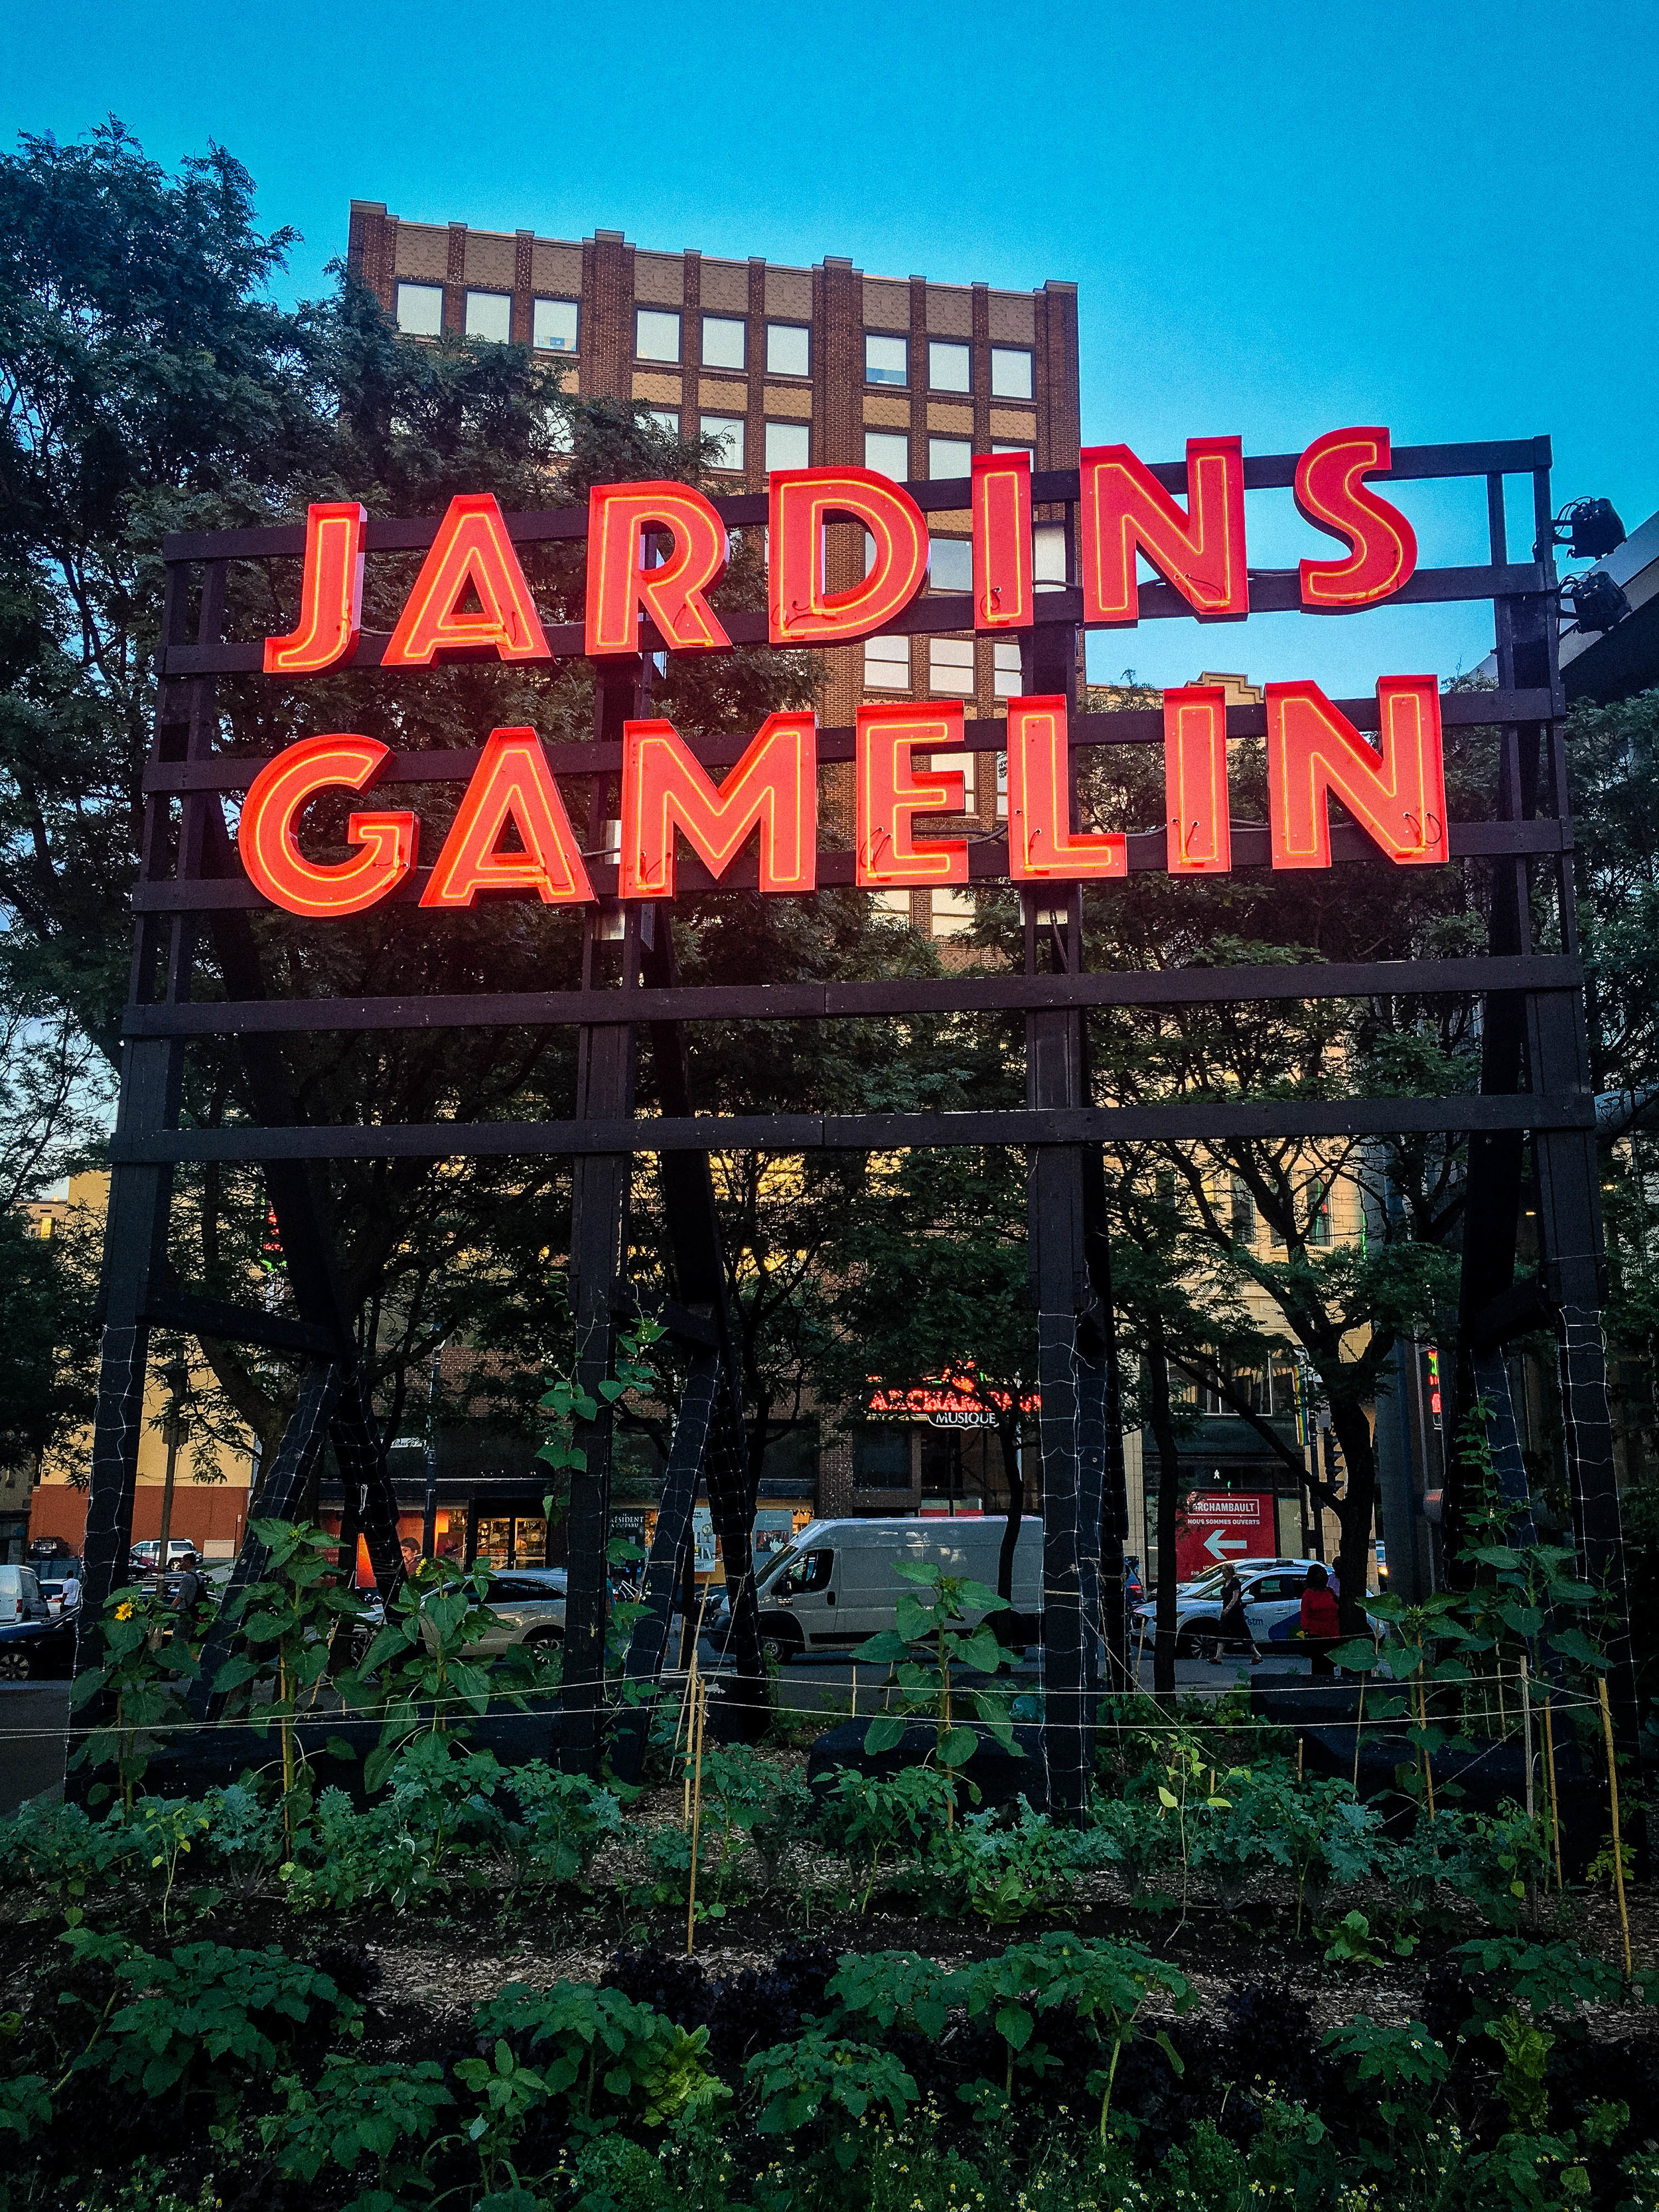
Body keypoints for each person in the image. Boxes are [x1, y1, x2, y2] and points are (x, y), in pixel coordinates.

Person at [1208, 1564, 1263, 1666]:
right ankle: (1218, 1657)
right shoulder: (1225, 1583)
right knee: (1222, 1631)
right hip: (1227, 1612)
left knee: (1243, 1632)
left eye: (1224, 1571)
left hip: (1235, 1613)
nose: (1223, 1573)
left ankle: (1257, 1654)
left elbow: (1235, 1598)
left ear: (1230, 1572)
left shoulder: (1235, 1582)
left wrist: (1227, 1609)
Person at [1298, 1562, 1340, 1676]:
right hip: (1317, 1636)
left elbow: (1338, 1606)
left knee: (1330, 1664)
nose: (1325, 1577)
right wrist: (1307, 1633)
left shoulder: (1330, 1591)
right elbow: (1305, 1615)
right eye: (1321, 1575)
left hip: (1332, 1634)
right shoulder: (1309, 1594)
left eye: (1325, 1574)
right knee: (1319, 1665)